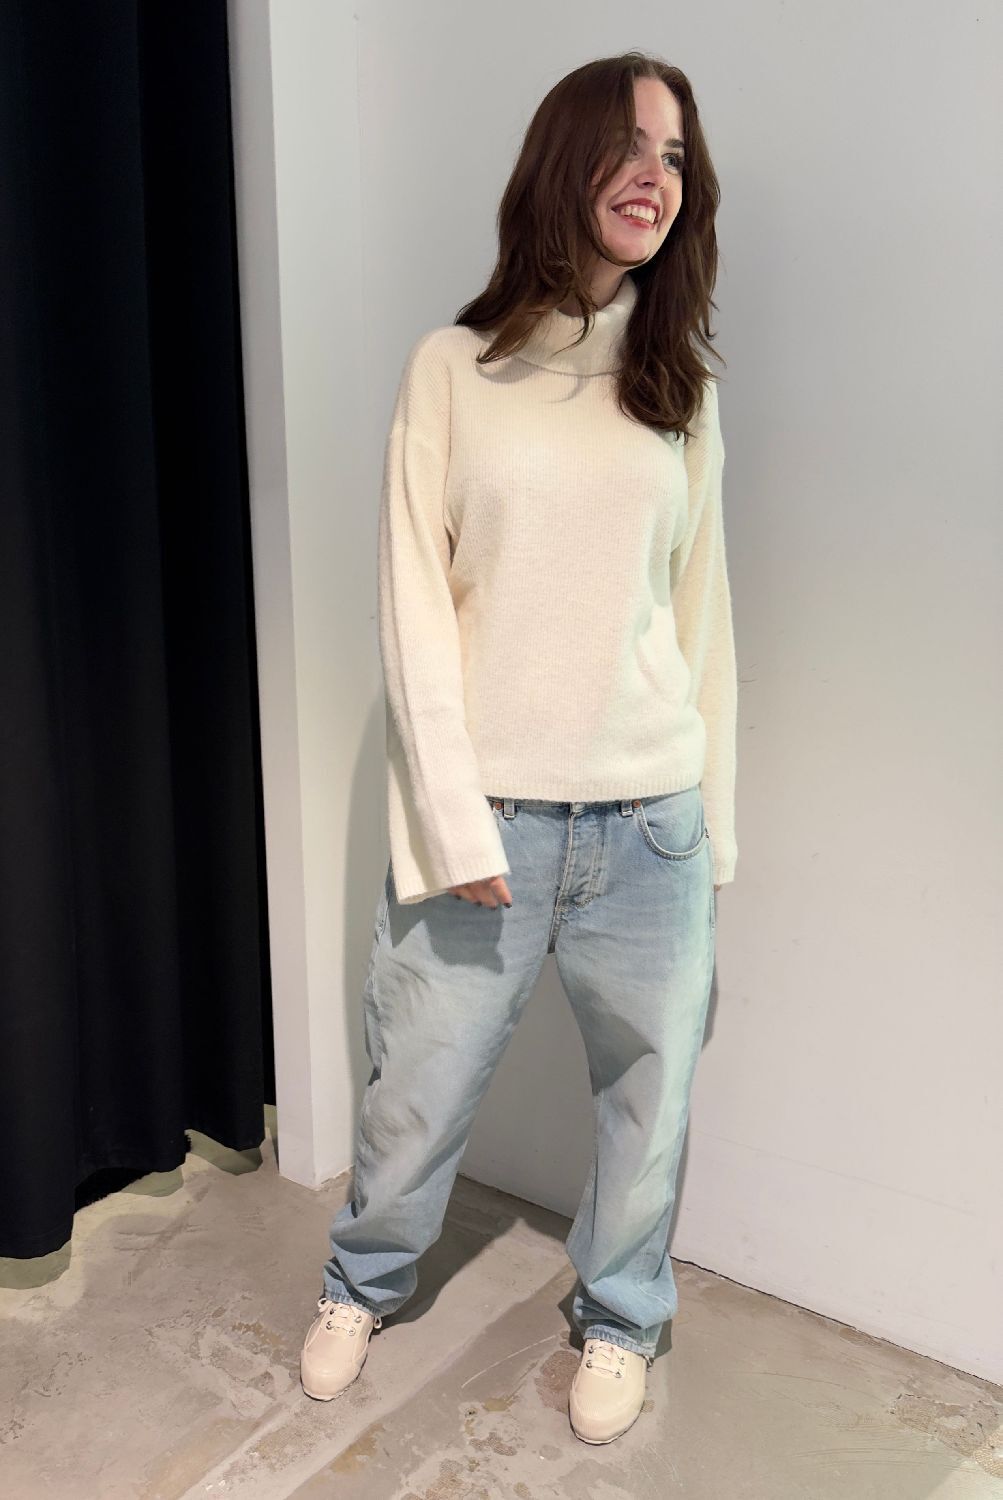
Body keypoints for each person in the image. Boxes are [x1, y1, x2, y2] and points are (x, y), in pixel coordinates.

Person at [299, 50, 738, 1446]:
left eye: (676, 155)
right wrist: (449, 820)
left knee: (649, 1103)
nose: (655, 176)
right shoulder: (455, 370)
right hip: (487, 815)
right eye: (630, 145)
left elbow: (702, 617)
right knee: (418, 1089)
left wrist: (714, 829)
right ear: (564, 160)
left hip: (650, 820)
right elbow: (412, 606)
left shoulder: (679, 386)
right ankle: (363, 1283)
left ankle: (623, 1314)